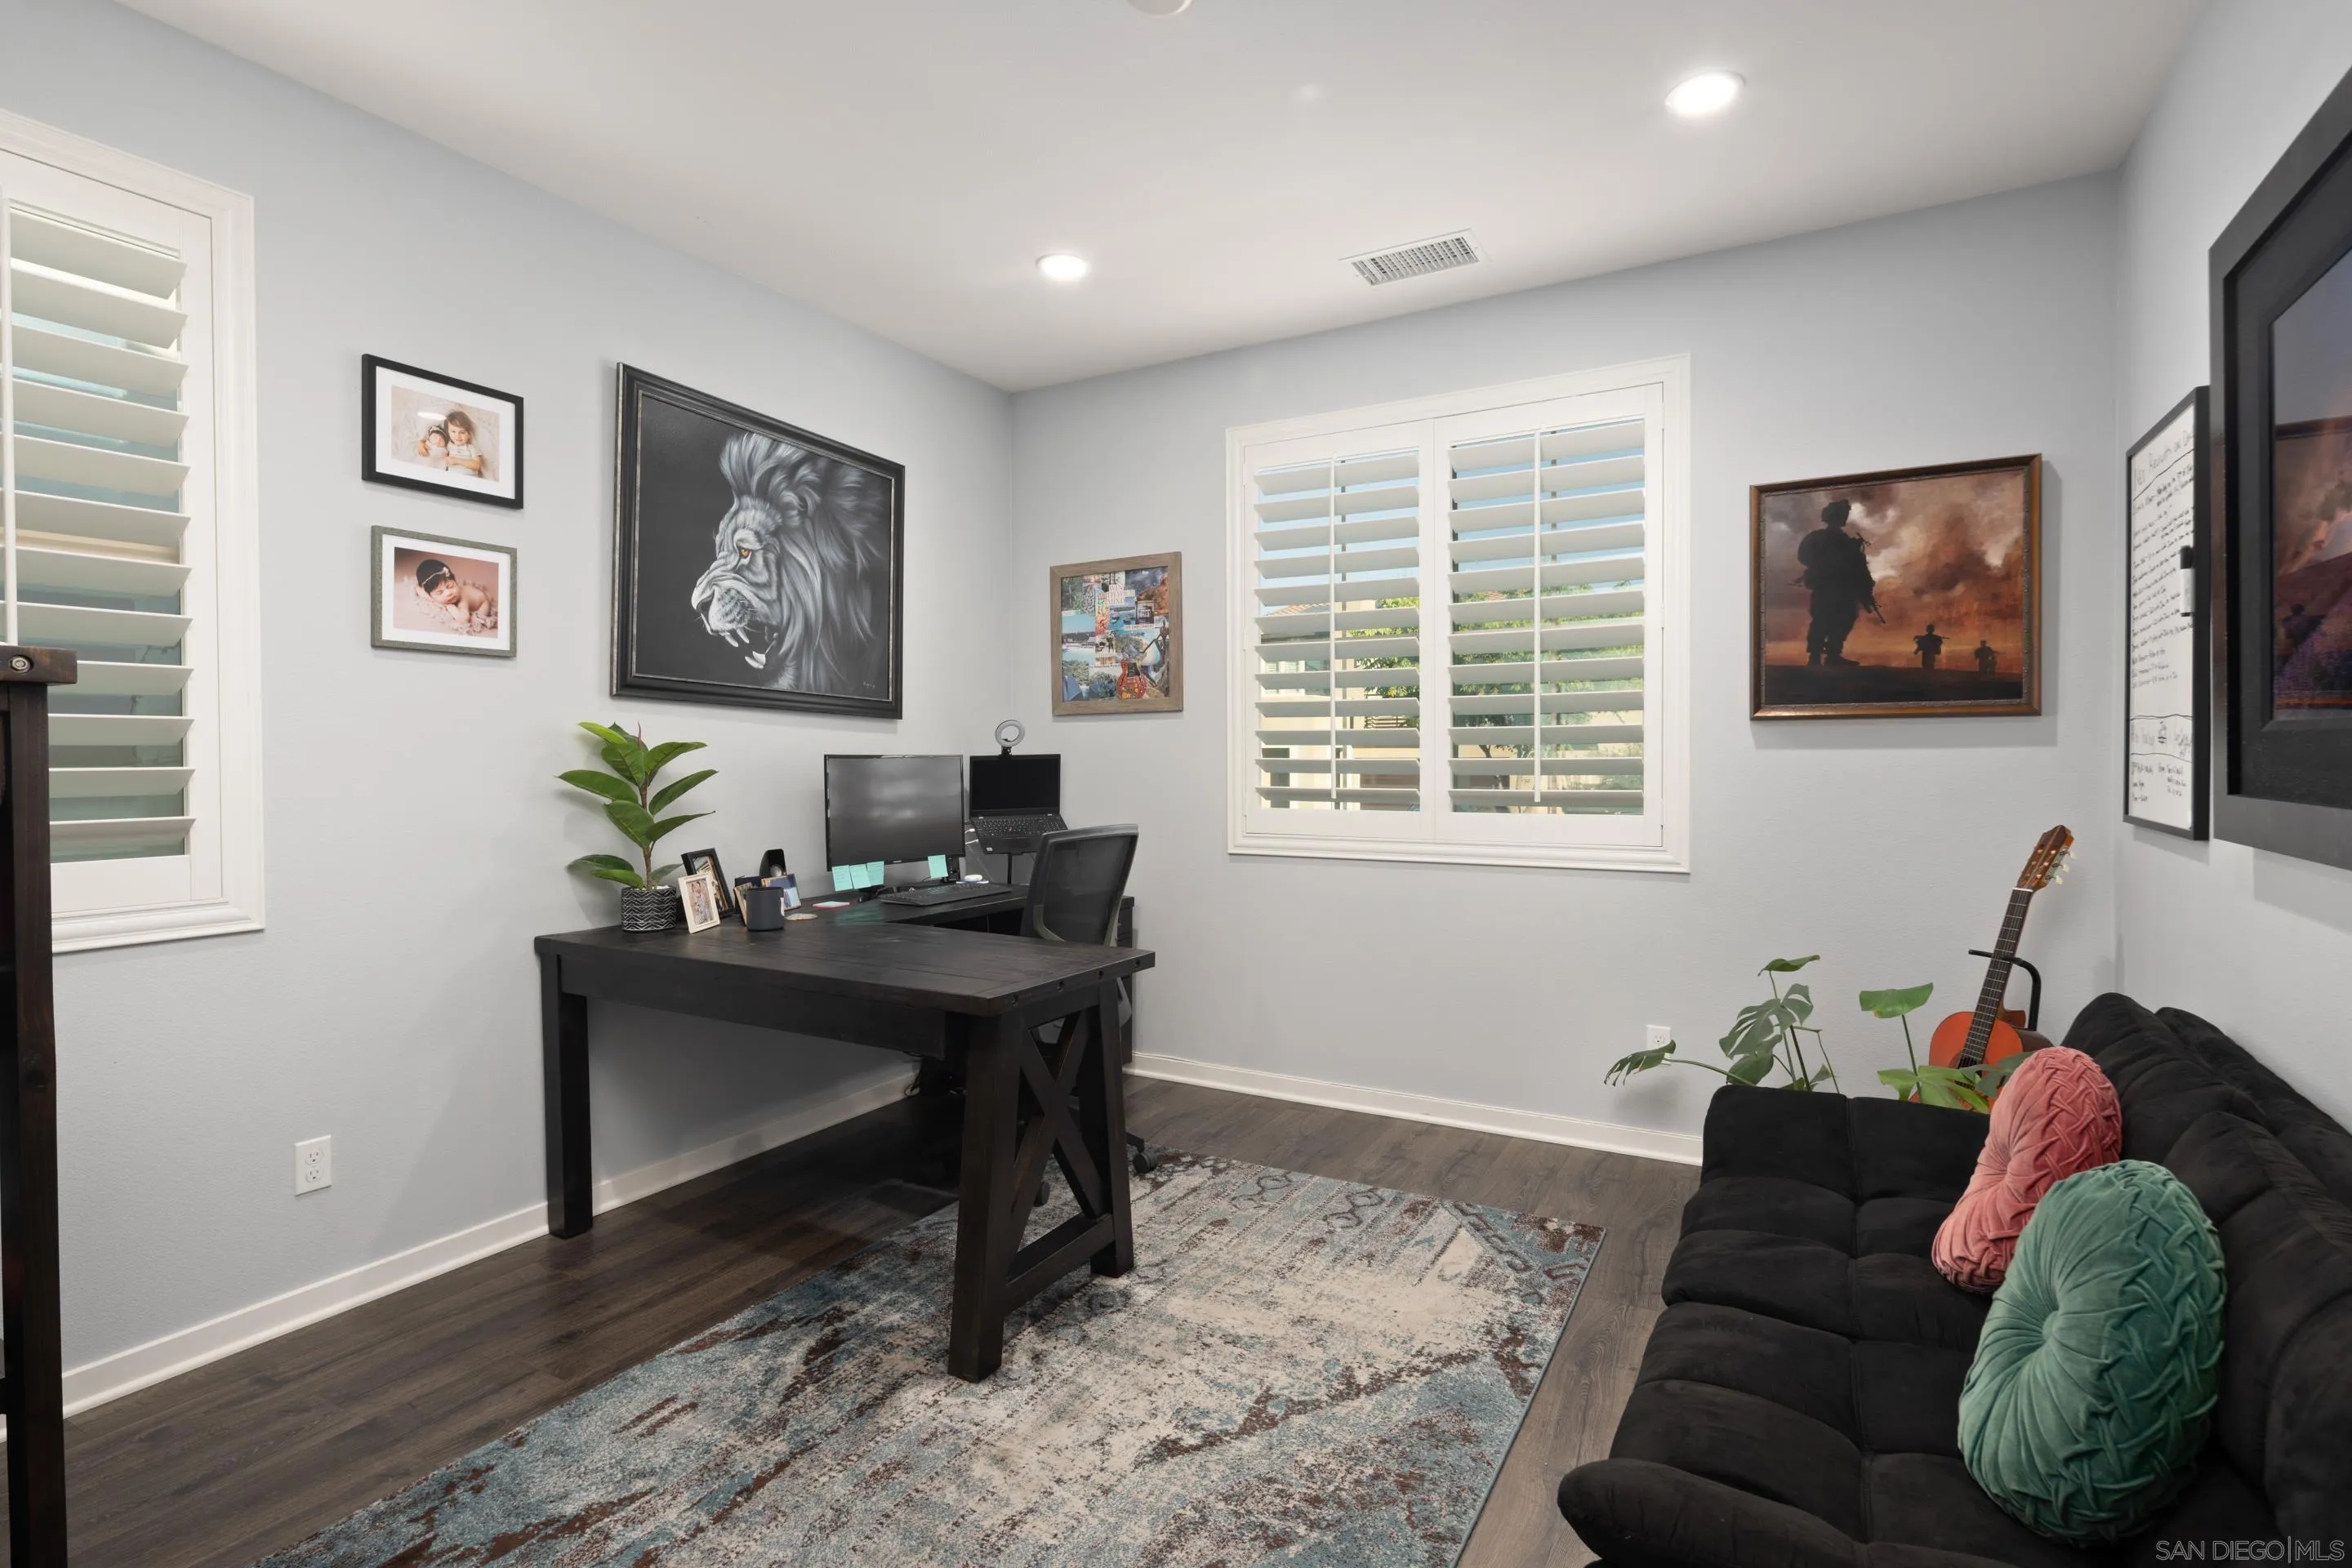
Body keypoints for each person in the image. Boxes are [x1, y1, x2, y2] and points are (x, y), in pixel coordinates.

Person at [1795, 499, 1875, 666]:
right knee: (1822, 619)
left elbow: (1858, 567)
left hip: (1843, 588)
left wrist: (1865, 587)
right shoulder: (1819, 538)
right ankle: (1816, 656)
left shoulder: (1846, 542)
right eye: (1841, 515)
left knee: (1844, 618)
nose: (1843, 518)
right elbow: (1804, 557)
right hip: (1825, 586)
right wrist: (1823, 566)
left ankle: (1832, 655)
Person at [413, 557, 497, 634]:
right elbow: (419, 589)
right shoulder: (432, 594)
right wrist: (436, 601)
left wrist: (450, 606)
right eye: (440, 592)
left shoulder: (462, 600)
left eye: (450, 586)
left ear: (456, 581)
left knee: (476, 619)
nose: (448, 593)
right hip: (470, 592)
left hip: (483, 601)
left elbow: (464, 619)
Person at [443, 409, 486, 479]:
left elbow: (477, 465)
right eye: (453, 431)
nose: (457, 436)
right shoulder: (448, 446)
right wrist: (421, 443)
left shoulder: (471, 448)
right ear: (448, 432)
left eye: (462, 432)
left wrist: (456, 460)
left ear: (469, 435)